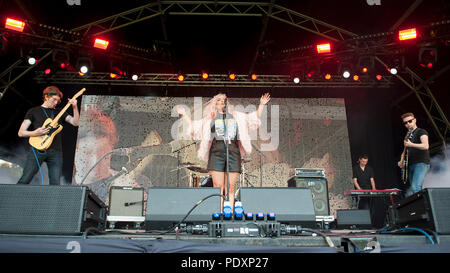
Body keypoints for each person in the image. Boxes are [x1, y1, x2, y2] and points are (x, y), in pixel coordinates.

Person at [178, 93, 270, 211]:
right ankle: (219, 214)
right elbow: (194, 128)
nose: (222, 102)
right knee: (218, 187)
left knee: (230, 187)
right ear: (215, 104)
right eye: (219, 100)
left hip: (233, 152)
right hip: (216, 153)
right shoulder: (210, 119)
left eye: (224, 100)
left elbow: (253, 119)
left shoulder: (237, 116)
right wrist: (185, 115)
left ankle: (229, 214)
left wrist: (261, 105)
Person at [17, 86, 79, 185]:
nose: (55, 103)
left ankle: (52, 200)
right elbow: (21, 132)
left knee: (55, 183)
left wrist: (74, 106)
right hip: (37, 149)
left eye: (57, 101)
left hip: (56, 152)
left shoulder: (60, 112)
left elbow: (75, 123)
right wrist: (35, 133)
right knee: (25, 178)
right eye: (54, 100)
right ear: (46, 97)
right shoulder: (33, 111)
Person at [397, 112, 430, 197]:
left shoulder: (421, 131)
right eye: (405, 123)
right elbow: (404, 151)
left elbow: (426, 146)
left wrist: (411, 144)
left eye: (410, 121)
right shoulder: (407, 136)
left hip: (421, 163)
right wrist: (401, 160)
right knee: (413, 188)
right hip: (410, 164)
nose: (408, 124)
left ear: (415, 120)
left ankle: (424, 208)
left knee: (416, 187)